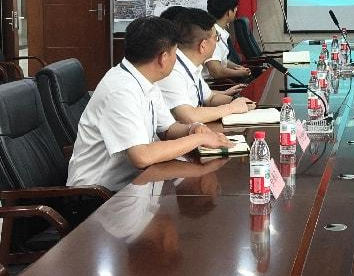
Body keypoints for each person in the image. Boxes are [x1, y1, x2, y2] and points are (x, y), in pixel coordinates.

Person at [67, 16, 232, 192]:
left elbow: (168, 129)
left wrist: (193, 129)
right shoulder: (121, 90)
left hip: (135, 183)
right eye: (175, 53)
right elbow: (142, 156)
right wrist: (198, 139)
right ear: (163, 57)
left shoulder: (145, 79)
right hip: (96, 195)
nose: (177, 59)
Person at [159, 7, 256, 123]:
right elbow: (189, 116)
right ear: (203, 45)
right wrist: (231, 108)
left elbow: (210, 98)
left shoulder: (192, 65)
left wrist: (238, 101)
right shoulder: (172, 70)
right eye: (216, 38)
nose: (217, 43)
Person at [205, 0, 252, 80]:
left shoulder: (220, 31)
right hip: (215, 84)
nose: (236, 10)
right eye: (235, 8)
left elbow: (223, 61)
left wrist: (238, 67)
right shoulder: (211, 34)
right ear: (229, 12)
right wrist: (239, 73)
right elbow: (216, 71)